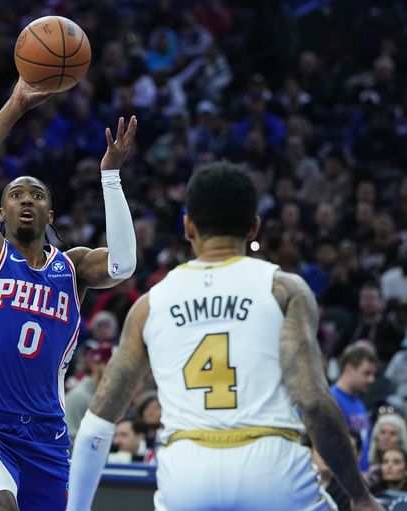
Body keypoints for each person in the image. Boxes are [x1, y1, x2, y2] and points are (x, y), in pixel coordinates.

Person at [67, 162, 383, 511]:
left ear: (188, 226)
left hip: (186, 469)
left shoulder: (149, 304)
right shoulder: (284, 289)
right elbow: (314, 403)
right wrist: (359, 495)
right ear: (254, 227)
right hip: (269, 464)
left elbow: (98, 422)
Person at [0, 78, 137, 511]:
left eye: (37, 195)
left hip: (47, 435)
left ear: (51, 213)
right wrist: (15, 105)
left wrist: (110, 175)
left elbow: (124, 265)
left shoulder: (74, 268)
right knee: (0, 506)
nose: (26, 200)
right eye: (15, 194)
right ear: (0, 211)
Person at [332, 344, 378, 470]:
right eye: (366, 373)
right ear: (349, 369)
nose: (371, 379)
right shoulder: (331, 400)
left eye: (373, 374)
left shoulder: (359, 403)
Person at [64, 342, 113, 440]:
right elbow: (68, 438)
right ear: (96, 366)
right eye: (108, 364)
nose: (115, 370)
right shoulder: (78, 396)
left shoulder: (109, 396)